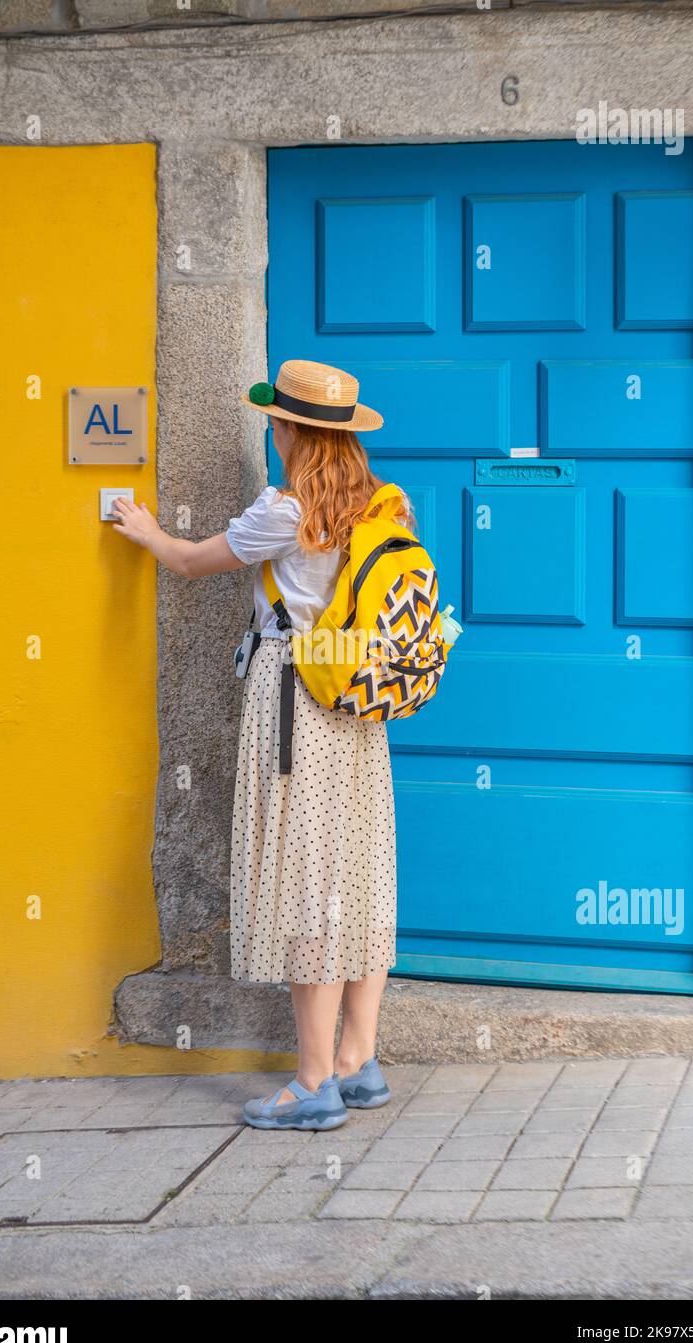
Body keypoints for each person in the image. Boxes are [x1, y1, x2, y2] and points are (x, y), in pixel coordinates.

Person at [113, 359, 412, 1131]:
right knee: (359, 871)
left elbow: (188, 561)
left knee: (307, 887)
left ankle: (313, 1085)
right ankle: (359, 1060)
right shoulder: (385, 505)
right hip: (358, 709)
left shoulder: (286, 511)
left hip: (296, 703)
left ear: (289, 433)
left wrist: (144, 529)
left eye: (275, 423)